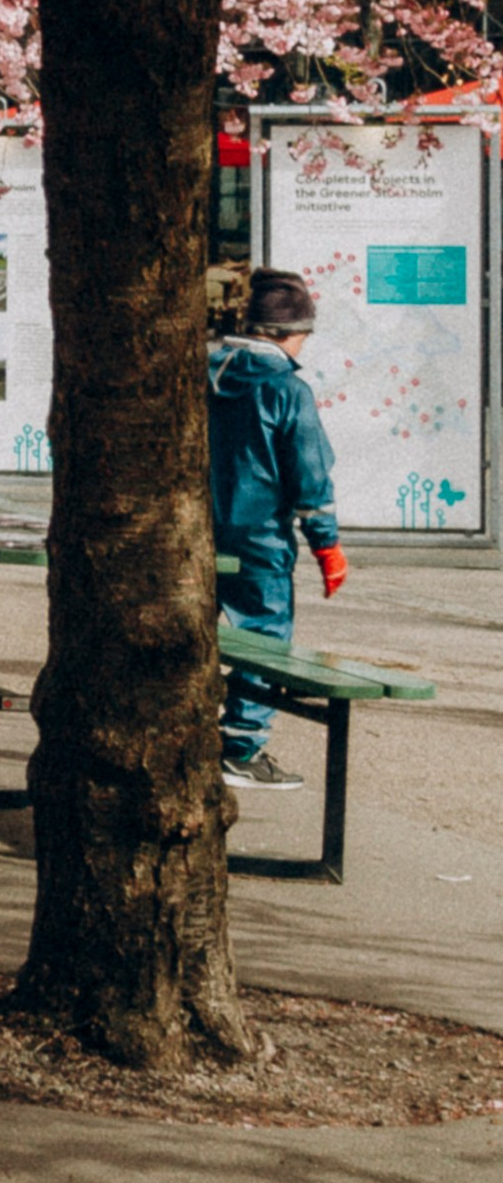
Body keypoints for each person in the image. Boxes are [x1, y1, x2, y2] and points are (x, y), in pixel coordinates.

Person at [211, 266, 345, 791]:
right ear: (290, 333)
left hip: (191, 530)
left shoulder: (197, 371)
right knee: (264, 636)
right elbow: (310, 477)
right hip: (259, 535)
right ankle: (241, 746)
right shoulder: (287, 389)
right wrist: (327, 548)